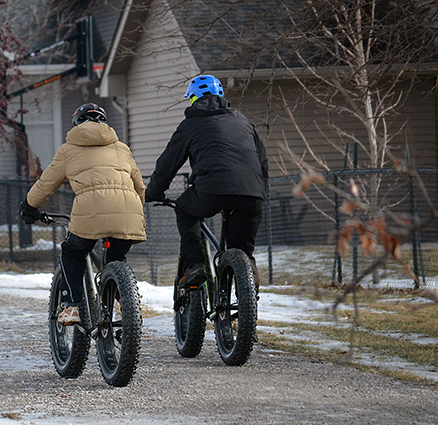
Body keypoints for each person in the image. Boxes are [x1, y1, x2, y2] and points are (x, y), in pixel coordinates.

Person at [19, 103, 146, 325]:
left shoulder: (68, 150)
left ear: (77, 124)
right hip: (128, 212)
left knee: (72, 253)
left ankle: (71, 305)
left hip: (89, 213)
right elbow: (139, 186)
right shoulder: (122, 148)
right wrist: (135, 211)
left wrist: (29, 207)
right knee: (116, 257)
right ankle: (124, 296)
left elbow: (46, 183)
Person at [144, 75, 268, 289]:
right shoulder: (243, 121)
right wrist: (258, 190)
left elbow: (167, 164)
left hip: (212, 190)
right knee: (243, 250)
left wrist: (153, 192)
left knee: (185, 209)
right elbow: (262, 161)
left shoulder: (190, 124)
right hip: (251, 193)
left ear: (194, 99)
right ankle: (247, 275)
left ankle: (196, 265)